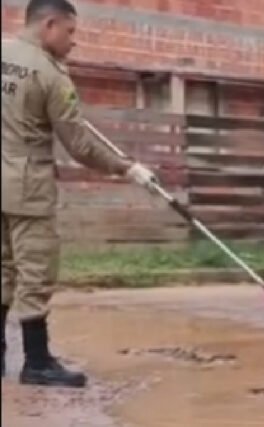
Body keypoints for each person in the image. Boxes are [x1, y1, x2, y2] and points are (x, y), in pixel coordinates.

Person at [2, 0, 158, 387]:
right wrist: (127, 167)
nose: (74, 42)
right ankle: (36, 362)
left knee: (1, 268)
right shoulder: (52, 76)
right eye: (70, 32)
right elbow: (80, 145)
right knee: (35, 271)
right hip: (26, 187)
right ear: (49, 24)